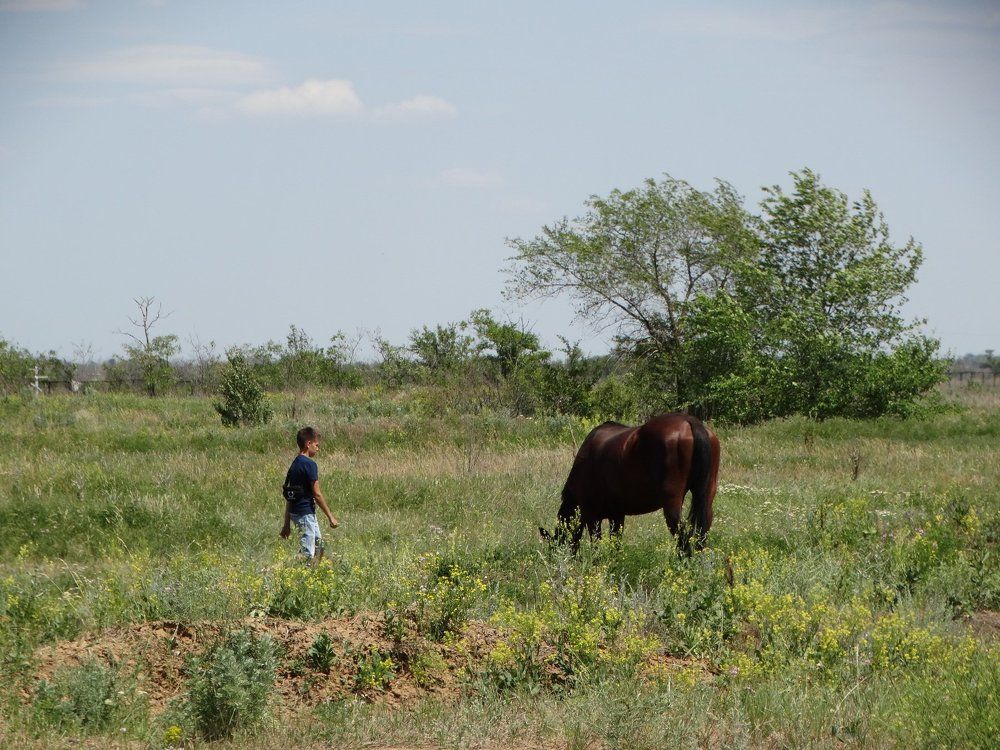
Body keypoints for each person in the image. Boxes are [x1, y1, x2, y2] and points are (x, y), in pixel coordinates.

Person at [280, 426, 338, 559]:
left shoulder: (295, 463)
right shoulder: (309, 464)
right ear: (308, 444)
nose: (318, 448)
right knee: (307, 554)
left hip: (298, 512)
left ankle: (315, 574)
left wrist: (287, 524)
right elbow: (317, 494)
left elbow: (291, 496)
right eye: (316, 445)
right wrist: (330, 517)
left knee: (319, 547)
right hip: (305, 513)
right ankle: (278, 570)